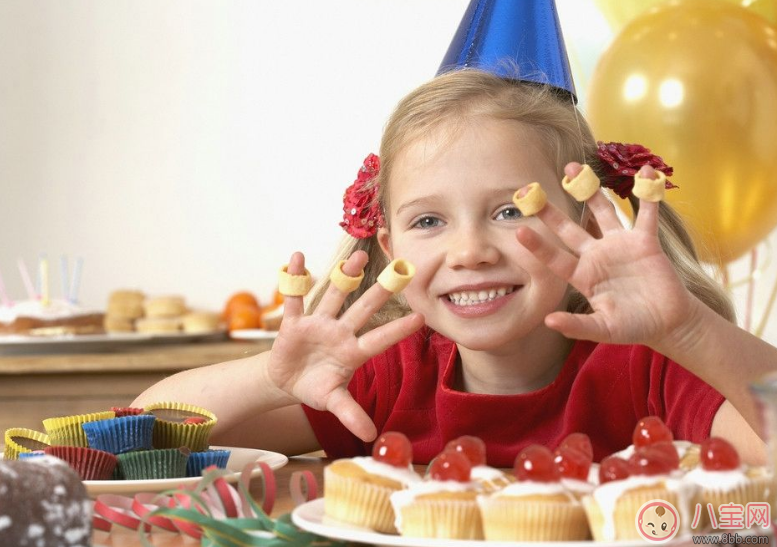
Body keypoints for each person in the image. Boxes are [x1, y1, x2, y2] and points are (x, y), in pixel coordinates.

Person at [133, 69, 776, 466]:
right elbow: (140, 437)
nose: (470, 252)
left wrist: (688, 331)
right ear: (389, 245)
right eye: (429, 222)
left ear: (581, 224)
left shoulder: (645, 368)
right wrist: (272, 378)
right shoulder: (387, 378)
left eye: (509, 210)